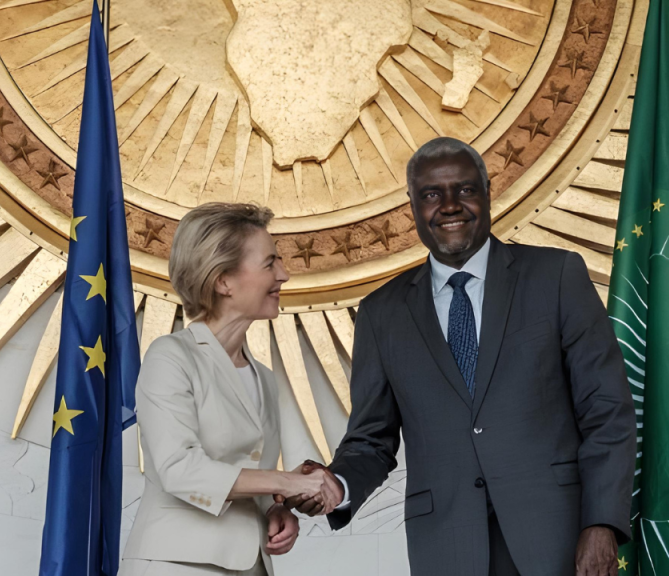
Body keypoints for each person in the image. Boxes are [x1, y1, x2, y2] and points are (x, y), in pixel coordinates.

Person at [283, 138, 637, 576]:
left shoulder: (557, 276)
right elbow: (371, 440)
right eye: (432, 194)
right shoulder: (382, 312)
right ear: (411, 204)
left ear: (488, 192)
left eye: (465, 190)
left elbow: (607, 412)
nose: (450, 205)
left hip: (560, 539)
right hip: (447, 548)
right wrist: (338, 483)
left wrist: (601, 522)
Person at [121, 203, 343, 576]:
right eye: (269, 263)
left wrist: (274, 509)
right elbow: (178, 468)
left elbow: (243, 472)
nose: (284, 275)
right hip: (176, 564)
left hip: (252, 565)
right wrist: (286, 481)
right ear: (223, 280)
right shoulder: (171, 356)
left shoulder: (263, 377)